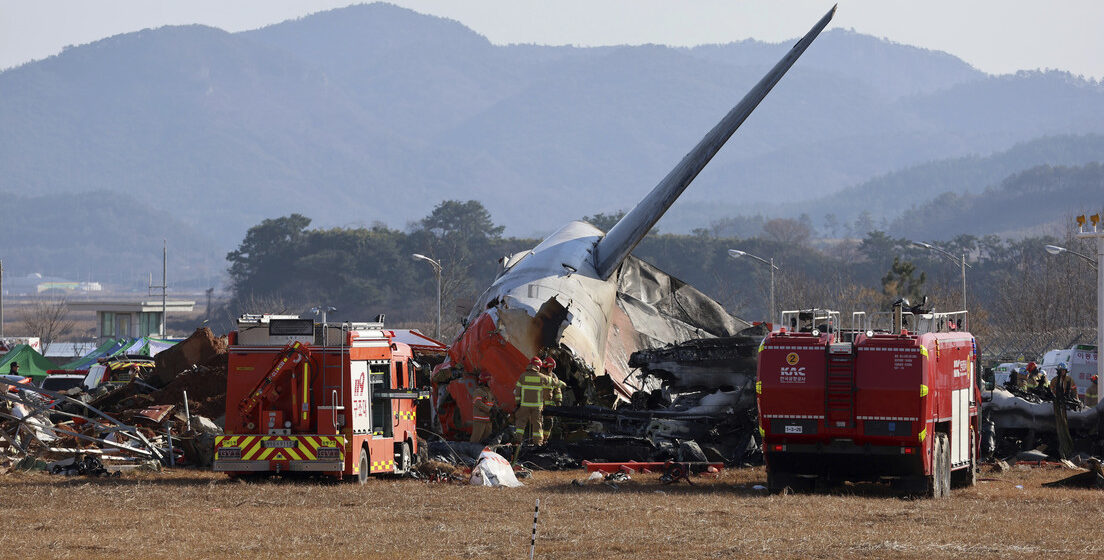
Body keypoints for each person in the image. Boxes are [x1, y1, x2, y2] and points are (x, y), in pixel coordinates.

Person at [514, 357, 549, 445]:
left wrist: (518, 403)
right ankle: (537, 443)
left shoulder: (523, 376)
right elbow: (551, 384)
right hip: (537, 407)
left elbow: (517, 391)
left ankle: (518, 441)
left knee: (521, 423)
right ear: (538, 367)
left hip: (524, 405)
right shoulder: (541, 377)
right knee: (537, 425)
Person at [1050, 363, 1075, 460]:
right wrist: (1055, 395)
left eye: (1064, 370)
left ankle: (1068, 449)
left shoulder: (1069, 380)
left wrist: (1074, 398)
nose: (1063, 372)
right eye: (1061, 370)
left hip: (1066, 405)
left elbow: (1074, 391)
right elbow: (1051, 389)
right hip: (1057, 404)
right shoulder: (1055, 380)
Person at [541, 357, 566, 438]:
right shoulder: (539, 374)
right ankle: (536, 440)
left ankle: (545, 439)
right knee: (538, 423)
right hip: (539, 404)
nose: (551, 369)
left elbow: (557, 389)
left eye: (552, 368)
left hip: (549, 406)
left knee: (549, 423)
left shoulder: (553, 376)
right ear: (546, 366)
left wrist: (559, 401)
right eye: (550, 367)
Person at [470, 372, 498, 443]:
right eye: (490, 381)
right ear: (485, 382)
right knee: (475, 440)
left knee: (486, 441)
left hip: (488, 421)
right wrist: (489, 410)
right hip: (480, 420)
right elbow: (477, 403)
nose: (491, 383)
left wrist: (496, 409)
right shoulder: (478, 391)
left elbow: (493, 404)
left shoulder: (490, 392)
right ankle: (471, 452)